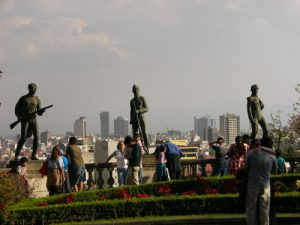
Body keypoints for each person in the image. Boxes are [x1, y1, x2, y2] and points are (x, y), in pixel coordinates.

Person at [245, 137, 277, 225]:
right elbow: (275, 170)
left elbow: (245, 168)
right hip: (266, 185)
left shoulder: (251, 154)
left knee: (251, 209)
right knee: (265, 209)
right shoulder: (272, 156)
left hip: (252, 184)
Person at [14, 83, 45, 160]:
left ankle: (34, 155)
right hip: (25, 120)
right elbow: (17, 109)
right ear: (29, 89)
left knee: (37, 137)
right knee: (23, 137)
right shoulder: (23, 98)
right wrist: (19, 117)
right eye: (32, 88)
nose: (33, 90)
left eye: (35, 89)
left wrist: (42, 111)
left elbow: (39, 113)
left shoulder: (37, 99)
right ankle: (16, 155)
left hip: (34, 119)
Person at [130, 84, 149, 152]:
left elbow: (147, 108)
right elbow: (131, 111)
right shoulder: (132, 101)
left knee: (144, 133)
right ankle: (136, 149)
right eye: (134, 90)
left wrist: (139, 111)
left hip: (141, 117)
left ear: (138, 90)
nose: (135, 91)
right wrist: (131, 120)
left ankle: (146, 148)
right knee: (135, 134)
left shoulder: (142, 98)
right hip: (134, 119)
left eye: (136, 90)